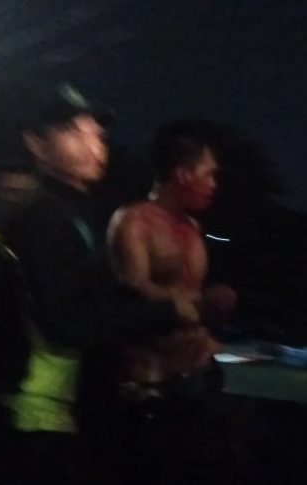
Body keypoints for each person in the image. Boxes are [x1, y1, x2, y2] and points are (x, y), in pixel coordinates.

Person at [0, 82, 189, 485]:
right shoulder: (39, 215)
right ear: (36, 144)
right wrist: (166, 311)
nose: (94, 145)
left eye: (97, 134)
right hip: (37, 411)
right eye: (73, 132)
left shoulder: (79, 210)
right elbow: (65, 323)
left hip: (70, 407)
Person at [96, 122, 238, 483]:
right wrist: (198, 303)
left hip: (197, 378)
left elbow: (191, 301)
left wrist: (216, 305)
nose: (214, 184)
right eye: (208, 174)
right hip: (152, 383)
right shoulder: (134, 221)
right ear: (183, 174)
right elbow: (134, 294)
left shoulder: (193, 229)